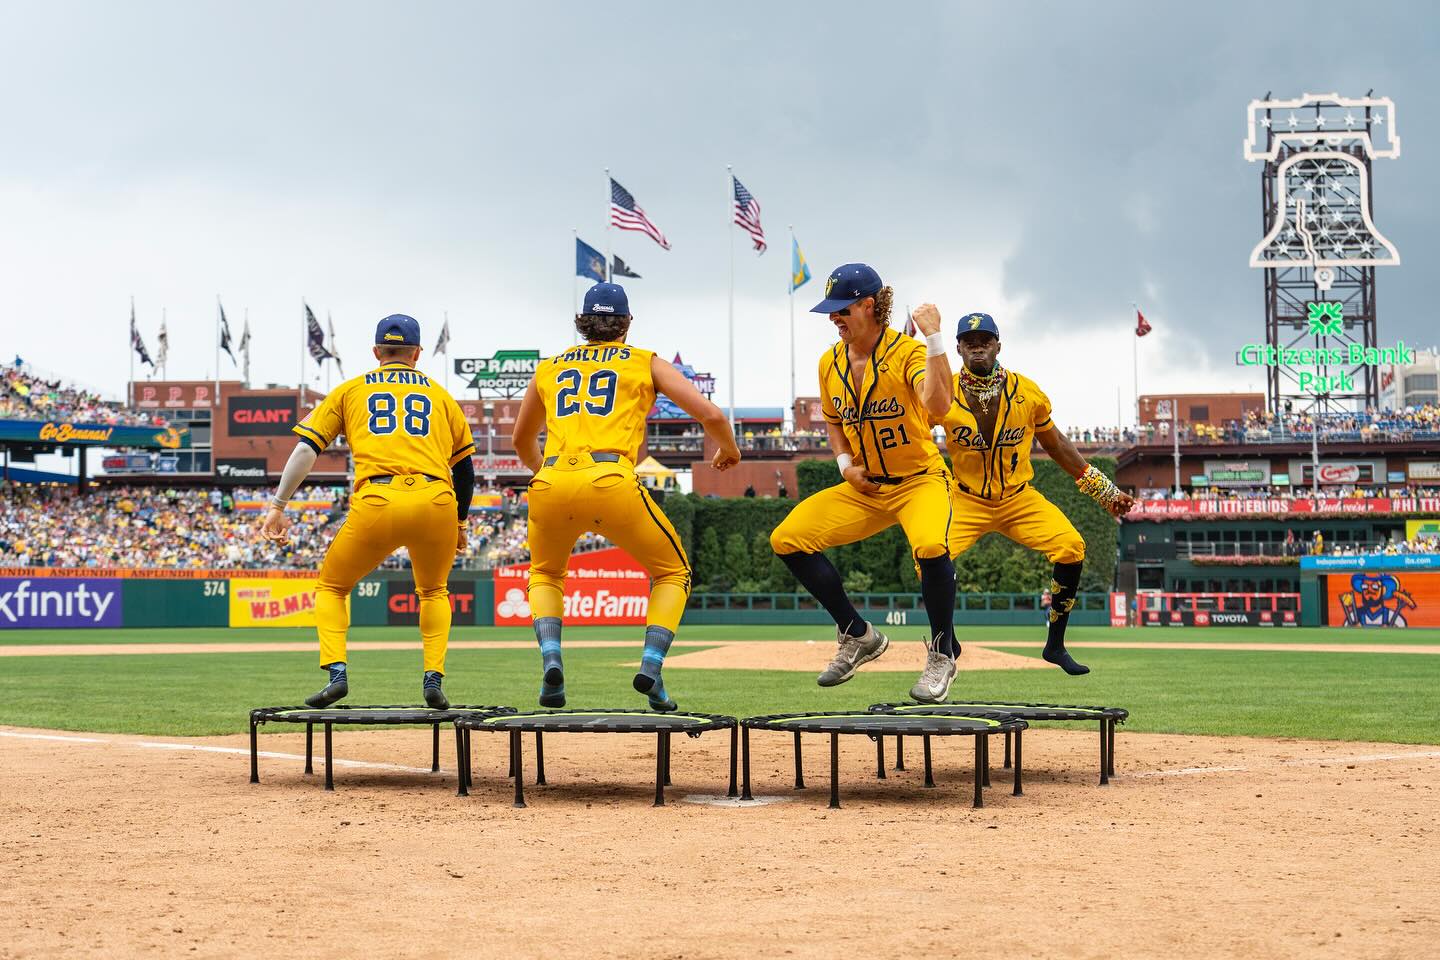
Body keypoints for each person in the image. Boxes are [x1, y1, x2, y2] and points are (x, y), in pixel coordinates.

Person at [511, 282, 740, 711]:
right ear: (627, 323)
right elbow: (708, 413)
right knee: (673, 573)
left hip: (552, 477)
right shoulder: (643, 361)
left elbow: (521, 439)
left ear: (582, 323)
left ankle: (552, 663)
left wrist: (548, 474)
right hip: (610, 477)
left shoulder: (549, 368)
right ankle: (651, 668)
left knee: (545, 575)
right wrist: (729, 449)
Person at [260, 314, 476, 709]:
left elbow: (307, 448)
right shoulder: (442, 396)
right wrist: (460, 521)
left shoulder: (350, 390)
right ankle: (433, 678)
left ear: (377, 351)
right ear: (418, 353)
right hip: (436, 499)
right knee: (433, 591)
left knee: (332, 587)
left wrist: (278, 506)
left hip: (378, 500)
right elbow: (464, 468)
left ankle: (337, 673)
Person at [769, 264, 958, 702]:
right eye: (830, 311)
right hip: (865, 486)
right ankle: (857, 634)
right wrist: (843, 465)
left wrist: (934, 340)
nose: (834, 318)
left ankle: (943, 653)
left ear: (869, 306)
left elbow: (939, 403)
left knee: (930, 546)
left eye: (842, 309)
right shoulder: (829, 362)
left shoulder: (908, 352)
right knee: (788, 538)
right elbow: (835, 422)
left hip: (918, 481)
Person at [937, 312, 1133, 674]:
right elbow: (916, 436)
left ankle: (1055, 646)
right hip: (964, 499)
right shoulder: (943, 392)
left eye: (985, 342)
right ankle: (947, 636)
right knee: (928, 555)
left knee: (1071, 547)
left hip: (1018, 498)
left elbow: (1056, 444)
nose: (977, 348)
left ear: (998, 345)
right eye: (969, 343)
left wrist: (1104, 490)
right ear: (959, 349)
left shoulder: (1027, 392)